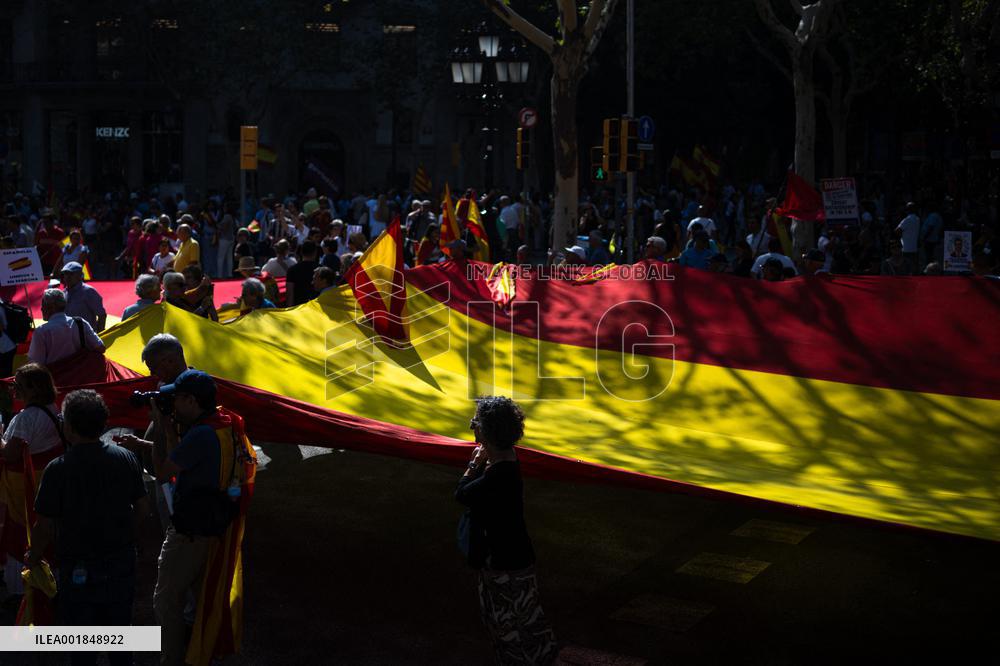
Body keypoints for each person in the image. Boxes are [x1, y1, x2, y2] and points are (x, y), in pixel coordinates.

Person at [27, 390, 148, 666]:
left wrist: (33, 556)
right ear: (103, 423)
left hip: (77, 564)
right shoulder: (126, 458)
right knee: (120, 635)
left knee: (82, 640)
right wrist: (125, 535)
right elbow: (143, 509)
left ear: (67, 427)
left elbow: (44, 525)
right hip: (120, 560)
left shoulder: (57, 469)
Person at [455, 396, 557, 665]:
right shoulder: (507, 462)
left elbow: (462, 494)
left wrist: (472, 465)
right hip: (513, 560)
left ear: (486, 433)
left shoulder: (497, 475)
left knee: (510, 630)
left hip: (504, 567)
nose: (472, 428)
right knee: (526, 623)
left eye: (475, 423)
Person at [0, 364, 65, 597]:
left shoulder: (26, 418)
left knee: (21, 533)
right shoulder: (51, 409)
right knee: (44, 530)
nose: (13, 390)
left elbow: (10, 454)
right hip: (44, 481)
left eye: (18, 385)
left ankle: (24, 589)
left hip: (24, 485)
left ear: (34, 389)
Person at [28, 289, 105, 365]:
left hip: (55, 376)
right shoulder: (80, 323)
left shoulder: (41, 332)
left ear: (52, 307)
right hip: (80, 374)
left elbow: (36, 364)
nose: (41, 309)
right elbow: (101, 348)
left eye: (43, 305)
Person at [61, 261, 107, 332]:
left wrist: (100, 335)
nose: (67, 277)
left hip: (86, 337)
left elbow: (102, 315)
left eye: (71, 274)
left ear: (80, 275)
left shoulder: (88, 292)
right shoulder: (63, 293)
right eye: (65, 274)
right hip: (68, 336)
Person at [286, 240, 320, 305]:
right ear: (315, 252)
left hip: (298, 308)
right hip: (316, 308)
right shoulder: (321, 270)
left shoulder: (292, 270)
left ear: (301, 253)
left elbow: (290, 293)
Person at [895, 202, 921, 273]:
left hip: (906, 248)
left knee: (905, 269)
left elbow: (897, 231)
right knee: (914, 269)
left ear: (907, 210)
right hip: (914, 248)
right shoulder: (917, 219)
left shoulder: (906, 220)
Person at [0, 296, 16, 377]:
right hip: (9, 345)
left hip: (5, 347)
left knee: (5, 376)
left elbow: (2, 326)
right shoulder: (1, 305)